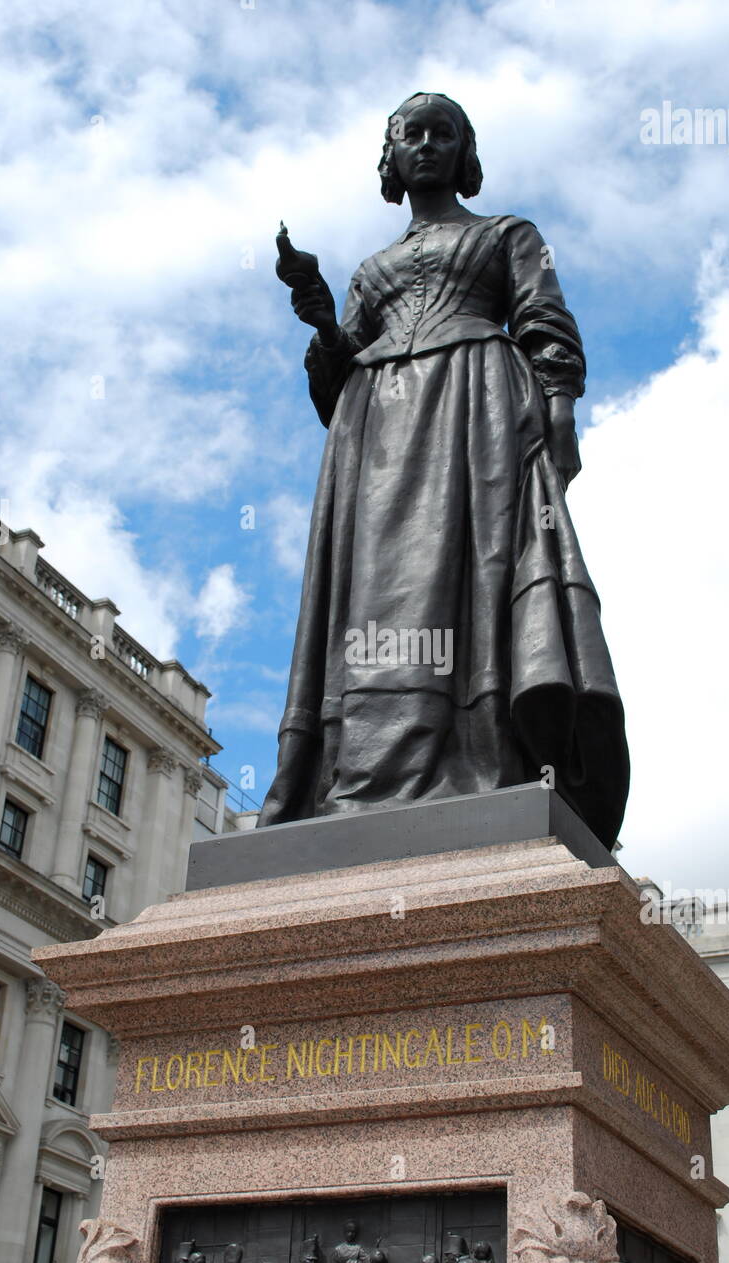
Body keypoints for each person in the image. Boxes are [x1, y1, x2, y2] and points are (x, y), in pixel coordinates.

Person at [260, 91, 629, 850]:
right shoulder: (373, 269)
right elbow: (331, 387)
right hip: (376, 429)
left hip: (478, 410)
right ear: (389, 157)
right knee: (371, 592)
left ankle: (484, 753)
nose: (426, 144)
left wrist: (558, 411)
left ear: (465, 153)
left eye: (443, 133)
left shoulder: (509, 235)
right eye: (411, 134)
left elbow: (544, 323)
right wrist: (325, 319)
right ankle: (353, 773)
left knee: (472, 573)